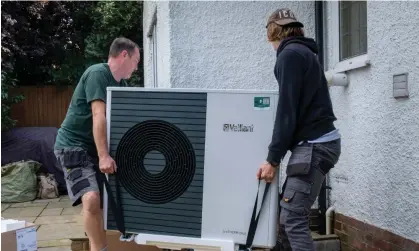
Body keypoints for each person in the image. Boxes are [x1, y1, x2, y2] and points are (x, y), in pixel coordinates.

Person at [256, 8, 341, 251]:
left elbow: (287, 111)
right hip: (317, 144)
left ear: (272, 31)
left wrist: (272, 159)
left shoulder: (290, 55)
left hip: (315, 146)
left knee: (292, 220)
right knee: (286, 217)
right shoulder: (302, 52)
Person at [54, 37, 140, 251]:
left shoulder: (122, 84)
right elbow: (98, 114)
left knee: (108, 202)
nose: (137, 67)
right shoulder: (97, 74)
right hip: (73, 147)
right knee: (92, 199)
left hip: (96, 148)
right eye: (136, 61)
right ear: (124, 55)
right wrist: (103, 156)